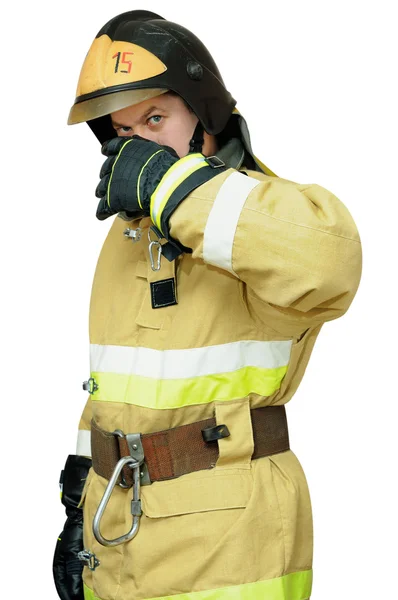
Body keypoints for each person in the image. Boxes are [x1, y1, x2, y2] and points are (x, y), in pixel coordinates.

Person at [53, 9, 362, 600]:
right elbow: (111, 386)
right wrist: (75, 500)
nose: (136, 144)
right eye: (122, 131)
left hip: (229, 547)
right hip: (115, 532)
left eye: (156, 117)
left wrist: (175, 190)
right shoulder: (127, 237)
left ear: (208, 114)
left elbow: (332, 263)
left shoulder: (268, 213)